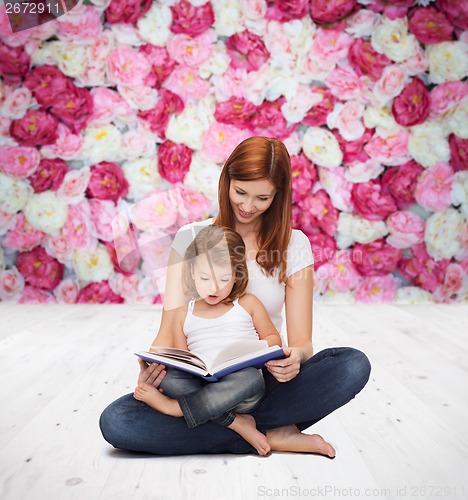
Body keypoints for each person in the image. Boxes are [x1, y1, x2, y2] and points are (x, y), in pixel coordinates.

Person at [100, 136, 371, 456]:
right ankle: (265, 429)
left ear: (279, 196)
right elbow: (169, 331)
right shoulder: (191, 238)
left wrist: (293, 360)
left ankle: (229, 424)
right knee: (117, 421)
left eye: (262, 198)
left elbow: (302, 343)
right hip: (197, 381)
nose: (246, 206)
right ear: (226, 181)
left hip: (260, 379)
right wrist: (152, 367)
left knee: (352, 365)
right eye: (240, 191)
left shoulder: (294, 245)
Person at [134, 225, 283, 456]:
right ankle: (235, 422)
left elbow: (273, 337)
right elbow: (183, 360)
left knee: (252, 378)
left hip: (240, 389)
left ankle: (175, 409)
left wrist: (263, 349)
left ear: (237, 274)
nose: (213, 288)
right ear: (192, 272)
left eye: (224, 278)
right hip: (201, 388)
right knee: (171, 378)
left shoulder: (248, 303)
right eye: (205, 278)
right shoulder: (185, 312)